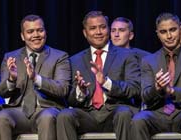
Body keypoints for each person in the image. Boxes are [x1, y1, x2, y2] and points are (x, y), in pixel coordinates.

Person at [55, 11, 140, 140]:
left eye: (103, 27)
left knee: (124, 113)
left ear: (108, 29)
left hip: (116, 112)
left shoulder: (126, 55)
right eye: (93, 28)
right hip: (88, 115)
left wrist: (107, 82)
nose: (98, 32)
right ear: (85, 33)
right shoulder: (75, 60)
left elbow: (135, 88)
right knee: (65, 115)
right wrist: (80, 92)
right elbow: (69, 98)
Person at [0, 14, 71, 140]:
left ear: (45, 32)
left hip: (47, 109)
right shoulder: (11, 57)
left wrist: (36, 78)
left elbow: (62, 89)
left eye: (40, 30)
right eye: (30, 32)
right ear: (23, 36)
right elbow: (2, 92)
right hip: (19, 111)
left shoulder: (59, 57)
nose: (36, 35)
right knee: (1, 117)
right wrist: (11, 79)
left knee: (47, 118)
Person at [131, 13, 181, 140]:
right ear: (158, 34)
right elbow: (145, 96)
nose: (169, 36)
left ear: (180, 30)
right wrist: (157, 88)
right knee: (139, 119)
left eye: (173, 30)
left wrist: (172, 91)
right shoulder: (148, 60)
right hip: (157, 113)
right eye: (163, 32)